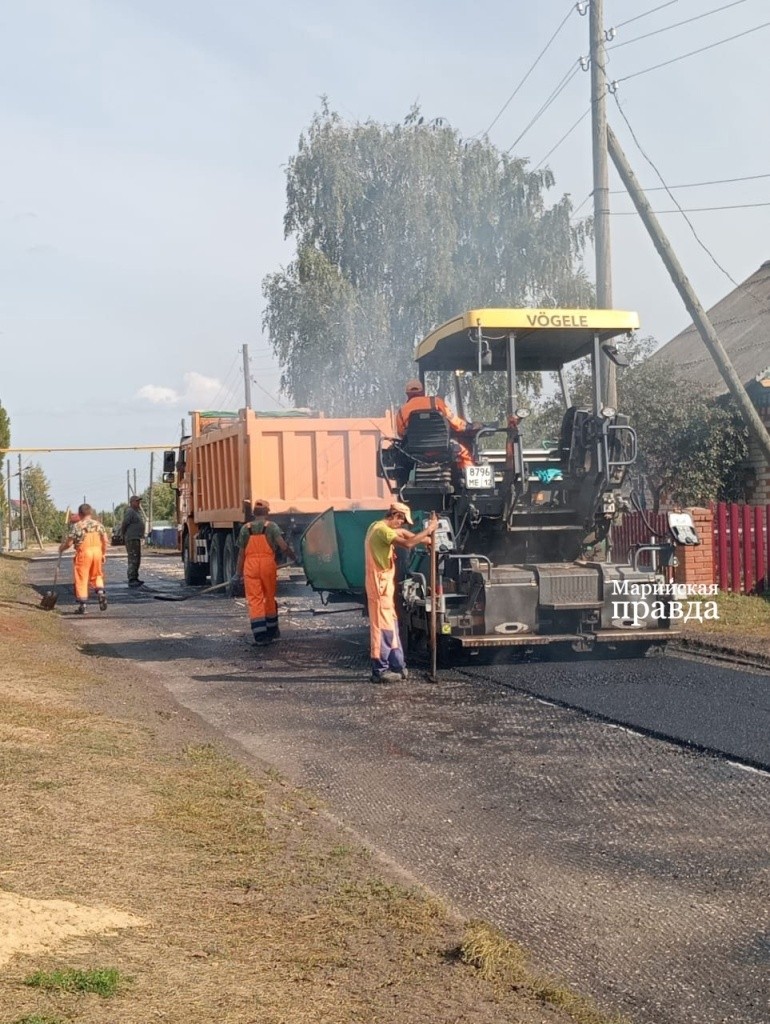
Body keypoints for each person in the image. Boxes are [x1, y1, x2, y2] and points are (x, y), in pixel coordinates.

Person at [365, 502, 437, 683]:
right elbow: (407, 543)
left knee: (392, 627)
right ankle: (380, 670)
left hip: (385, 587)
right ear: (395, 515)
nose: (402, 525)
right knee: (383, 629)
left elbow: (404, 533)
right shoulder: (381, 530)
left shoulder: (377, 526)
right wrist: (428, 531)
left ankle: (397, 665)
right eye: (401, 520)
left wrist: (427, 541)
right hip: (379, 588)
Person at [234, 499, 295, 646]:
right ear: (267, 512)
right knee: (269, 596)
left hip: (251, 566)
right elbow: (283, 546)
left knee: (255, 599)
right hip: (268, 565)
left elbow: (241, 554)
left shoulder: (245, 529)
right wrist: (294, 557)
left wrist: (237, 574)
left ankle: (260, 635)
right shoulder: (272, 527)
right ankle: (272, 630)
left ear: (253, 513)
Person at [395, 378, 482, 470]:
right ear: (423, 392)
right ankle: (469, 477)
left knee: (400, 458)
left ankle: (404, 477)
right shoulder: (436, 402)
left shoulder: (402, 411)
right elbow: (454, 421)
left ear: (407, 394)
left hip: (416, 452)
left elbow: (401, 433)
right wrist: (468, 426)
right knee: (464, 453)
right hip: (442, 450)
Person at [59, 503, 109, 614]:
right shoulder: (99, 525)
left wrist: (62, 548)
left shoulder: (77, 526)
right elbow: (105, 541)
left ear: (80, 514)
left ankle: (83, 605)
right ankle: (101, 593)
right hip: (97, 552)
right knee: (97, 575)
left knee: (82, 578)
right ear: (90, 513)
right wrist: (103, 554)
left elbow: (69, 543)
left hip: (84, 553)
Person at [121, 495, 147, 587]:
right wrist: (123, 534)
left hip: (136, 538)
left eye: (139, 501)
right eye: (137, 501)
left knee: (137, 558)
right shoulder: (130, 511)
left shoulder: (136, 512)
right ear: (132, 502)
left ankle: (135, 577)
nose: (138, 503)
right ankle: (132, 578)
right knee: (133, 558)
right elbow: (125, 523)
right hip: (131, 538)